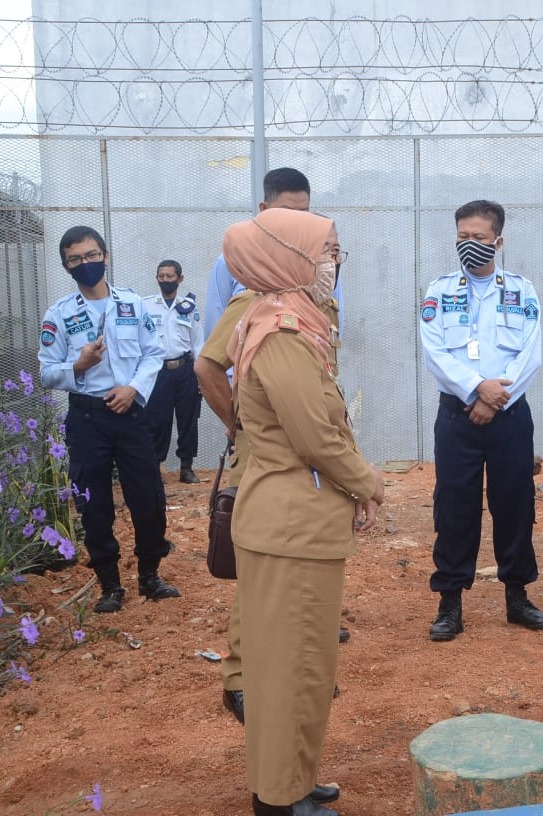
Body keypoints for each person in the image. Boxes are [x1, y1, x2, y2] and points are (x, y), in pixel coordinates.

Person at [222, 207, 385, 816]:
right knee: (295, 668)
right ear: (288, 258)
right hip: (292, 525)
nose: (333, 263)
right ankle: (282, 799)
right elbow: (317, 435)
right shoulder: (286, 332)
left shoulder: (272, 320)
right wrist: (368, 483)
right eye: (326, 251)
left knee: (290, 664)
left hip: (289, 519)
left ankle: (286, 776)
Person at [196, 228, 347, 728]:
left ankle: (295, 669)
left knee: (296, 580)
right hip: (269, 460)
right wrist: (239, 429)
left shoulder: (315, 306)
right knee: (260, 576)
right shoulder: (259, 305)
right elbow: (208, 367)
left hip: (304, 463)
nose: (332, 258)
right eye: (324, 247)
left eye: (334, 248)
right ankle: (243, 678)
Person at [418, 199, 543, 642]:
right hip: (457, 415)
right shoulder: (439, 291)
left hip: (510, 414)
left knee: (515, 503)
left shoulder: (521, 290)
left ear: (498, 240)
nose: (470, 245)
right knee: (455, 506)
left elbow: (531, 353)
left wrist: (494, 398)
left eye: (478, 237)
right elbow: (435, 352)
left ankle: (517, 596)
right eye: (462, 238)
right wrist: (476, 390)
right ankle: (450, 601)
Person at [38, 226, 180, 613]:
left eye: (91, 255)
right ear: (66, 266)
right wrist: (78, 365)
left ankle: (150, 576)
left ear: (105, 255)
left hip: (131, 414)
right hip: (87, 419)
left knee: (148, 497)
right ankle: (110, 585)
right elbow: (47, 372)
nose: (85, 264)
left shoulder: (132, 304)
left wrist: (133, 388)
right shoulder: (60, 315)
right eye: (75, 260)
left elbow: (153, 354)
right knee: (93, 503)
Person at [205, 167, 344, 341]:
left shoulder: (322, 263)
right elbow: (214, 332)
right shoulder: (233, 262)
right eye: (286, 213)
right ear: (264, 210)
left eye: (303, 213)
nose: (296, 221)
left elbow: (333, 328)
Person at [143, 260, 204, 483]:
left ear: (180, 278)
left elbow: (198, 342)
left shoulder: (189, 307)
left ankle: (186, 467)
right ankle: (157, 466)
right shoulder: (146, 306)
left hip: (185, 370)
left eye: (170, 276)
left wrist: (200, 375)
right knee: (158, 419)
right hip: (159, 371)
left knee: (188, 419)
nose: (166, 280)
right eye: (162, 276)